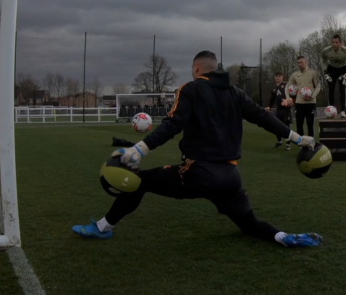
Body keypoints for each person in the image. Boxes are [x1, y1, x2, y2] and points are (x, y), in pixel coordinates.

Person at [72, 51, 323, 247]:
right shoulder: (235, 92)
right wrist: (297, 138)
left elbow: (173, 124)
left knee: (140, 181)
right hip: (230, 178)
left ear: (196, 68)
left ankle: (103, 227)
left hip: (198, 172)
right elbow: (262, 116)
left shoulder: (190, 89)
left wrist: (139, 149)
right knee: (249, 224)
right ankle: (283, 237)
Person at [285, 55, 321, 138]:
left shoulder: (313, 73)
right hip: (299, 103)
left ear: (306, 62)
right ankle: (301, 144)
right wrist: (288, 99)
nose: (300, 64)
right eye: (298, 63)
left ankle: (311, 142)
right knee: (299, 124)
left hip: (310, 103)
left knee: (310, 124)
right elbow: (287, 87)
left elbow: (318, 86)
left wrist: (312, 96)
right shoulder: (295, 75)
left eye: (301, 62)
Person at [320, 34, 346, 118]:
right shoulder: (326, 51)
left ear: (341, 43)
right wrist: (325, 72)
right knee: (331, 88)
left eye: (336, 42)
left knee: (342, 88)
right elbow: (322, 60)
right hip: (331, 69)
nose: (334, 44)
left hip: (343, 69)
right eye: (333, 42)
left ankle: (342, 111)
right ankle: (330, 110)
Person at [265, 72, 293, 150]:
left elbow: (292, 94)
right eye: (276, 76)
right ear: (274, 77)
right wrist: (269, 107)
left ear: (282, 77)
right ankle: (279, 141)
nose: (278, 78)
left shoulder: (286, 85)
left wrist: (290, 101)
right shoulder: (274, 88)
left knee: (286, 127)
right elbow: (272, 99)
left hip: (287, 109)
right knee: (276, 126)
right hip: (279, 110)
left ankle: (288, 145)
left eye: (279, 76)